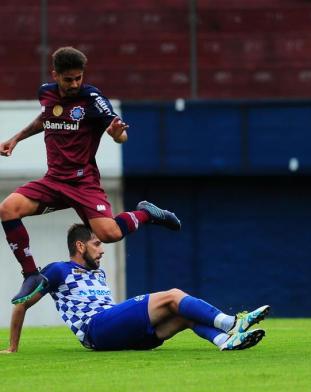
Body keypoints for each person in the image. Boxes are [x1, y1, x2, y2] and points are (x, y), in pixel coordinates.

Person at [0, 46, 181, 304]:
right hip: (53, 181)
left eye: (78, 78)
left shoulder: (92, 98)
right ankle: (31, 275)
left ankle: (146, 213)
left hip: (83, 183)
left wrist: (118, 134)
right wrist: (16, 138)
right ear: (55, 75)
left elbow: (118, 130)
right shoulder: (46, 93)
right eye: (68, 79)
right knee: (8, 209)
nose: (75, 84)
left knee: (109, 234)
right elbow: (45, 118)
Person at [0, 224, 270, 353]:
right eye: (97, 244)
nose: (102, 250)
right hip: (96, 329)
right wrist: (13, 347)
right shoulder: (58, 269)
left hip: (114, 329)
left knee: (182, 316)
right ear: (80, 246)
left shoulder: (98, 272)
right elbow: (22, 303)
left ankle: (226, 341)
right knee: (174, 295)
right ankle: (232, 322)